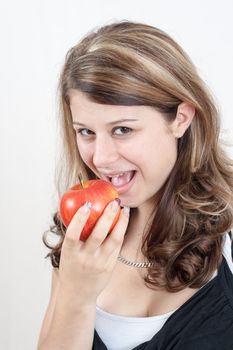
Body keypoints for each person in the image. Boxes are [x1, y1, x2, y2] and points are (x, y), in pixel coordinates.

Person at [37, 20, 233, 350]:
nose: (100, 157)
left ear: (180, 119)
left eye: (122, 130)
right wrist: (77, 295)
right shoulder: (80, 232)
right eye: (86, 131)